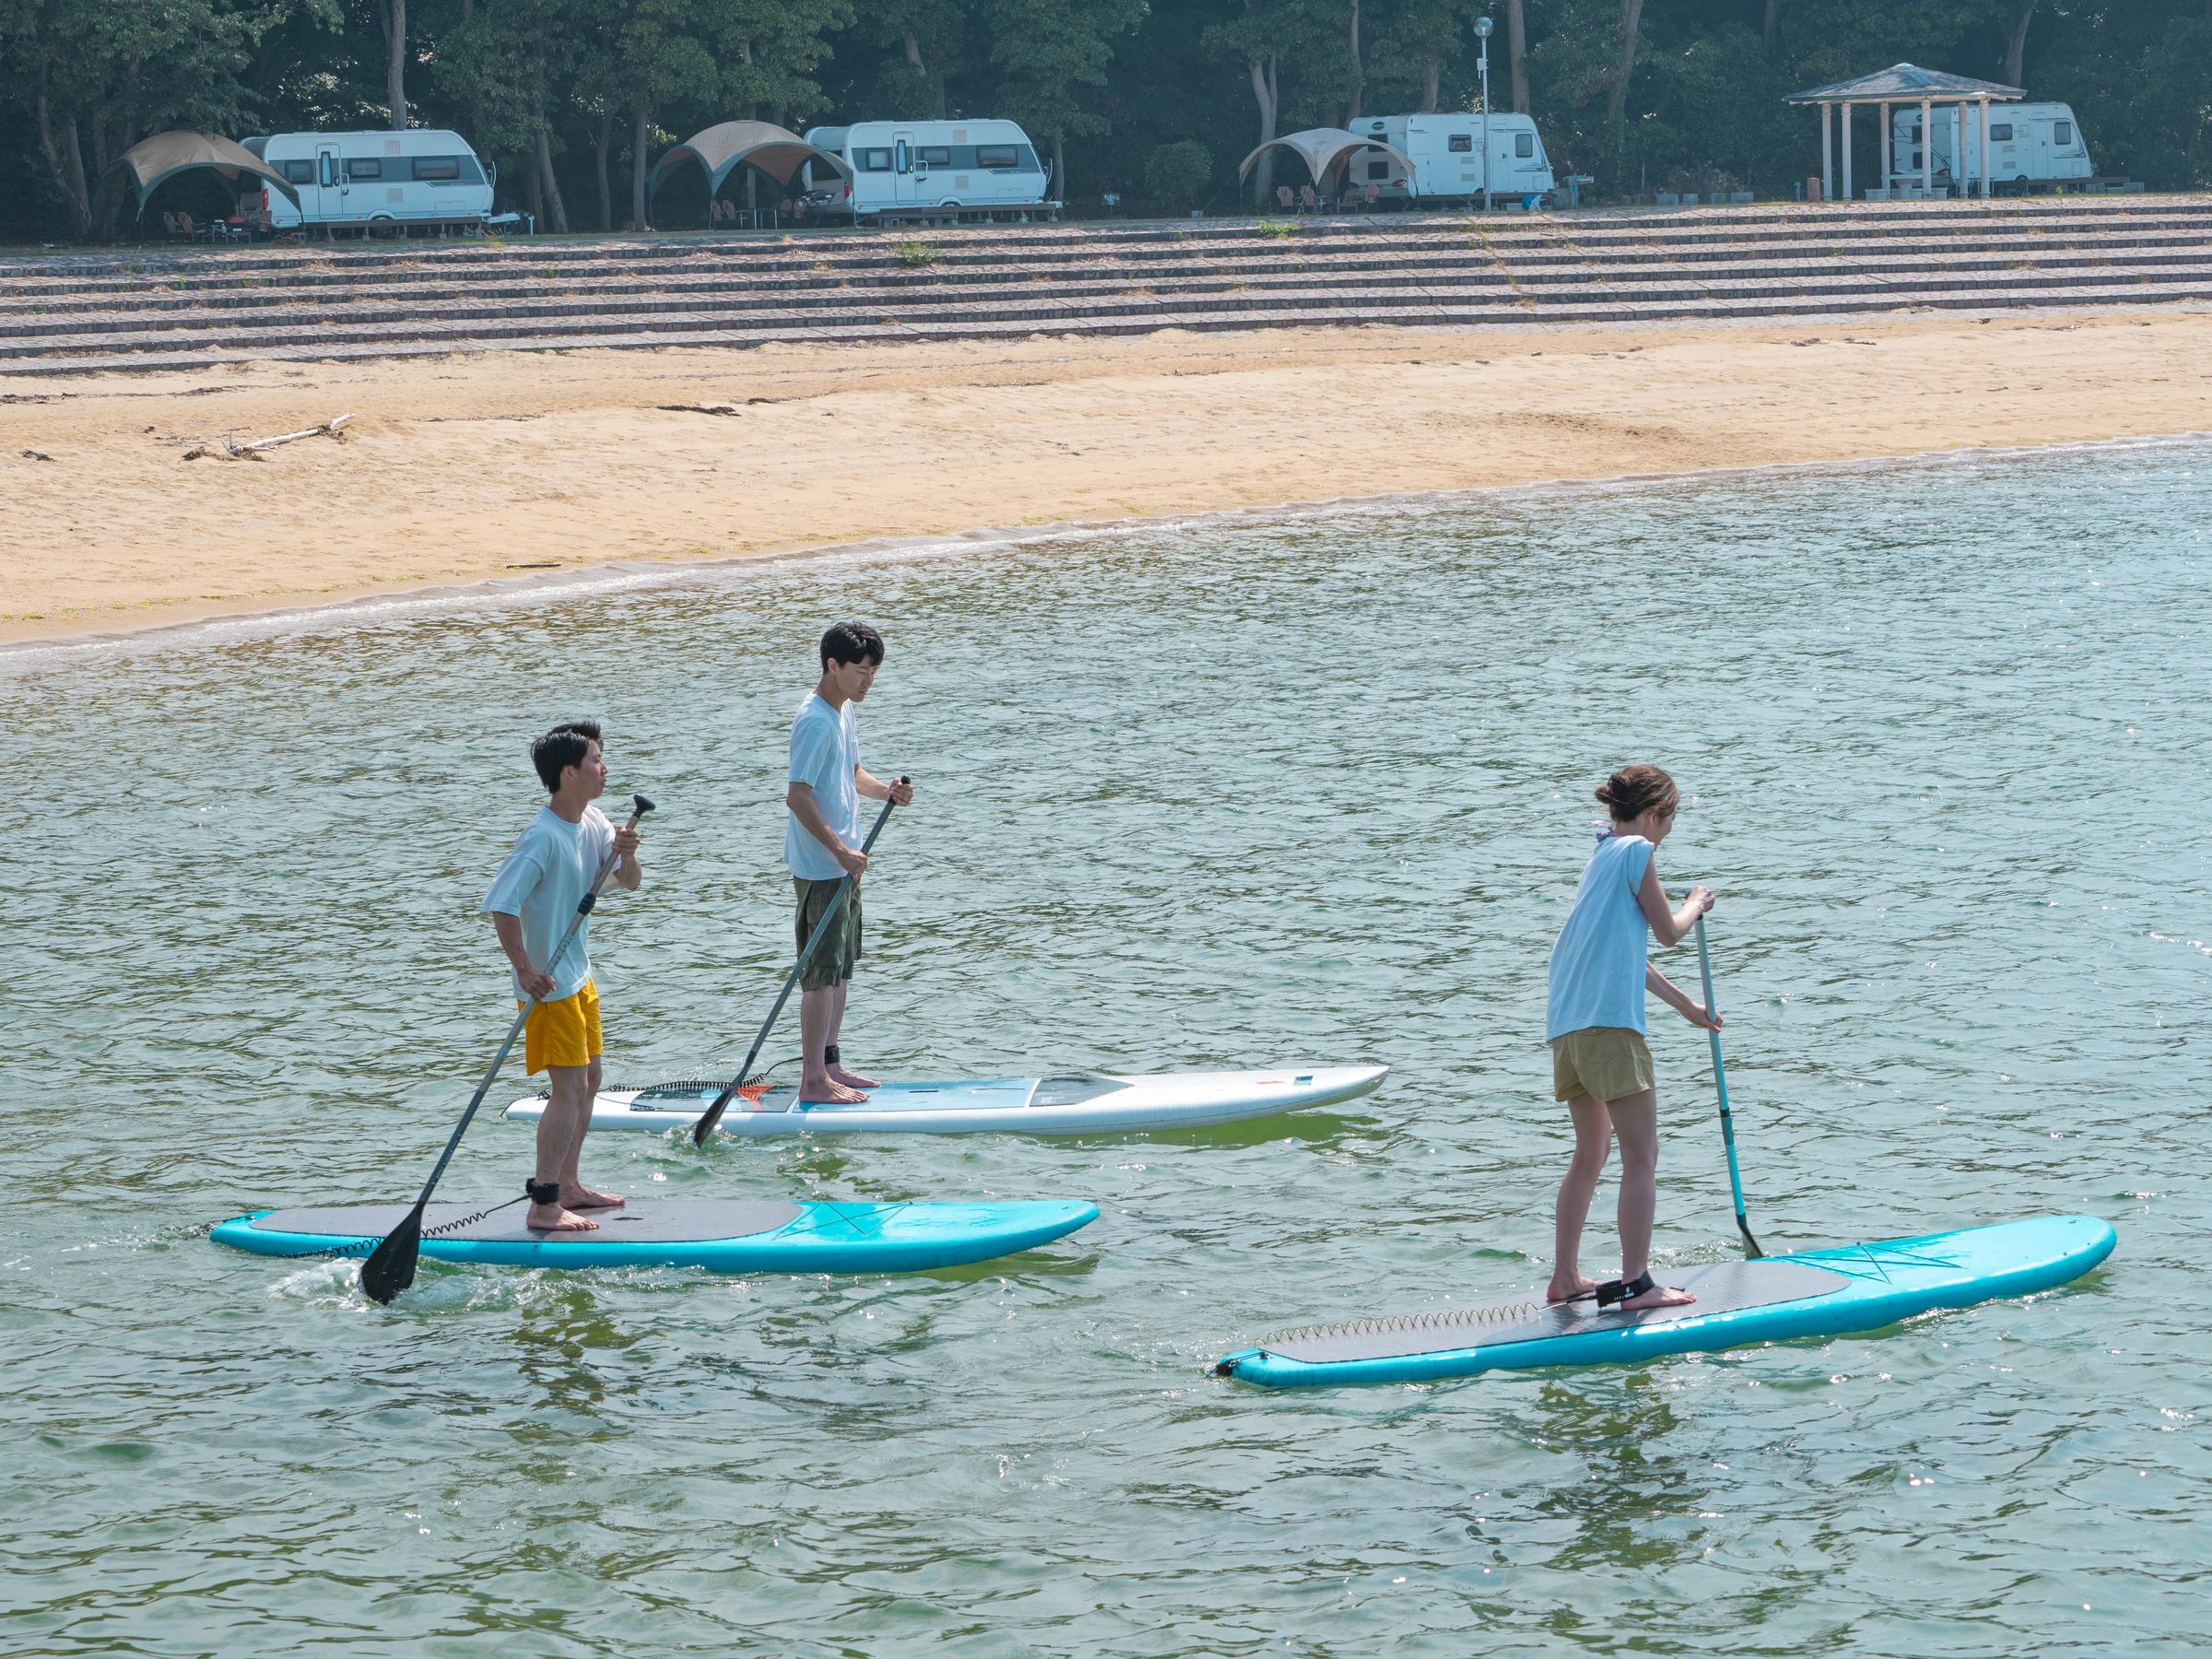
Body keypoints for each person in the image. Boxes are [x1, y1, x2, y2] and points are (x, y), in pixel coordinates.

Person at [1545, 764, 1717, 1312]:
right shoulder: (1638, 850)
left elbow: (1628, 956)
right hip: (1610, 1027)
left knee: (1591, 1153)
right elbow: (1667, 933)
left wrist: (1686, 1006)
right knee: (1642, 1155)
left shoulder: (1601, 856)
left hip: (1568, 1027)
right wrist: (1695, 904)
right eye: (1670, 820)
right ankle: (1637, 1285)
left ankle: (1565, 1278)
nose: (1667, 832)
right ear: (1653, 815)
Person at [482, 721, 642, 1233]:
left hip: (578, 976)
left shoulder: (593, 820)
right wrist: (524, 969)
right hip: (547, 986)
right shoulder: (541, 837)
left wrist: (627, 855)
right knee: (568, 1090)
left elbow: (630, 884)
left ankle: (570, 1185)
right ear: (569, 773)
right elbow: (502, 906)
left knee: (590, 1081)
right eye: (596, 759)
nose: (604, 768)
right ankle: (544, 1202)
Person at [785, 621, 914, 1103]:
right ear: (832, 666)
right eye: (860, 671)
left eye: (873, 671)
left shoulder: (843, 712)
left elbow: (851, 772)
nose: (868, 681)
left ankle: (830, 1064)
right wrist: (839, 850)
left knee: (841, 968)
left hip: (846, 865)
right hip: (823, 868)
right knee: (821, 974)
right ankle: (813, 1080)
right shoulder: (815, 720)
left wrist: (886, 791)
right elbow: (797, 796)